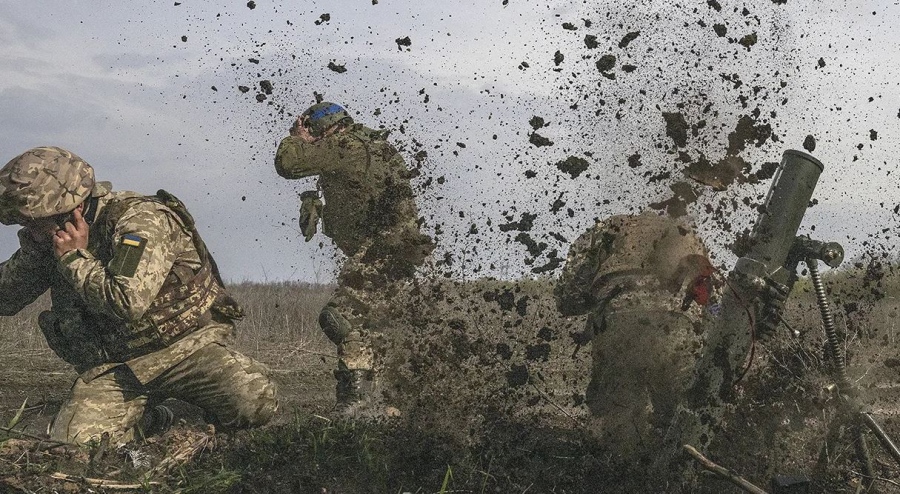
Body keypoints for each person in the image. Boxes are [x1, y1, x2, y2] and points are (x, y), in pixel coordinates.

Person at [0, 146, 278, 445]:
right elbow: (6, 299)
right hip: (118, 369)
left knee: (255, 402)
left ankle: (186, 413)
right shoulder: (50, 240)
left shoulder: (141, 221)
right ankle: (156, 419)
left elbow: (127, 301)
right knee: (76, 443)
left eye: (33, 221)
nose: (29, 230)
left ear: (71, 209)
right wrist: (35, 254)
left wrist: (74, 259)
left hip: (185, 351)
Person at [274, 102, 434, 410]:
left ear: (324, 128)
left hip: (384, 253)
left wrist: (296, 138)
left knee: (341, 317)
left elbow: (288, 164)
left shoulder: (345, 145)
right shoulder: (371, 145)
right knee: (372, 329)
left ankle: (357, 405)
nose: (312, 138)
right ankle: (388, 406)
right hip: (394, 252)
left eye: (312, 130)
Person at [554, 210, 716, 456]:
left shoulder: (606, 230)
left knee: (620, 420)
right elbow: (712, 302)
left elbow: (568, 299)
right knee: (685, 414)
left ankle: (623, 465)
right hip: (678, 327)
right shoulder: (686, 234)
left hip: (618, 321)